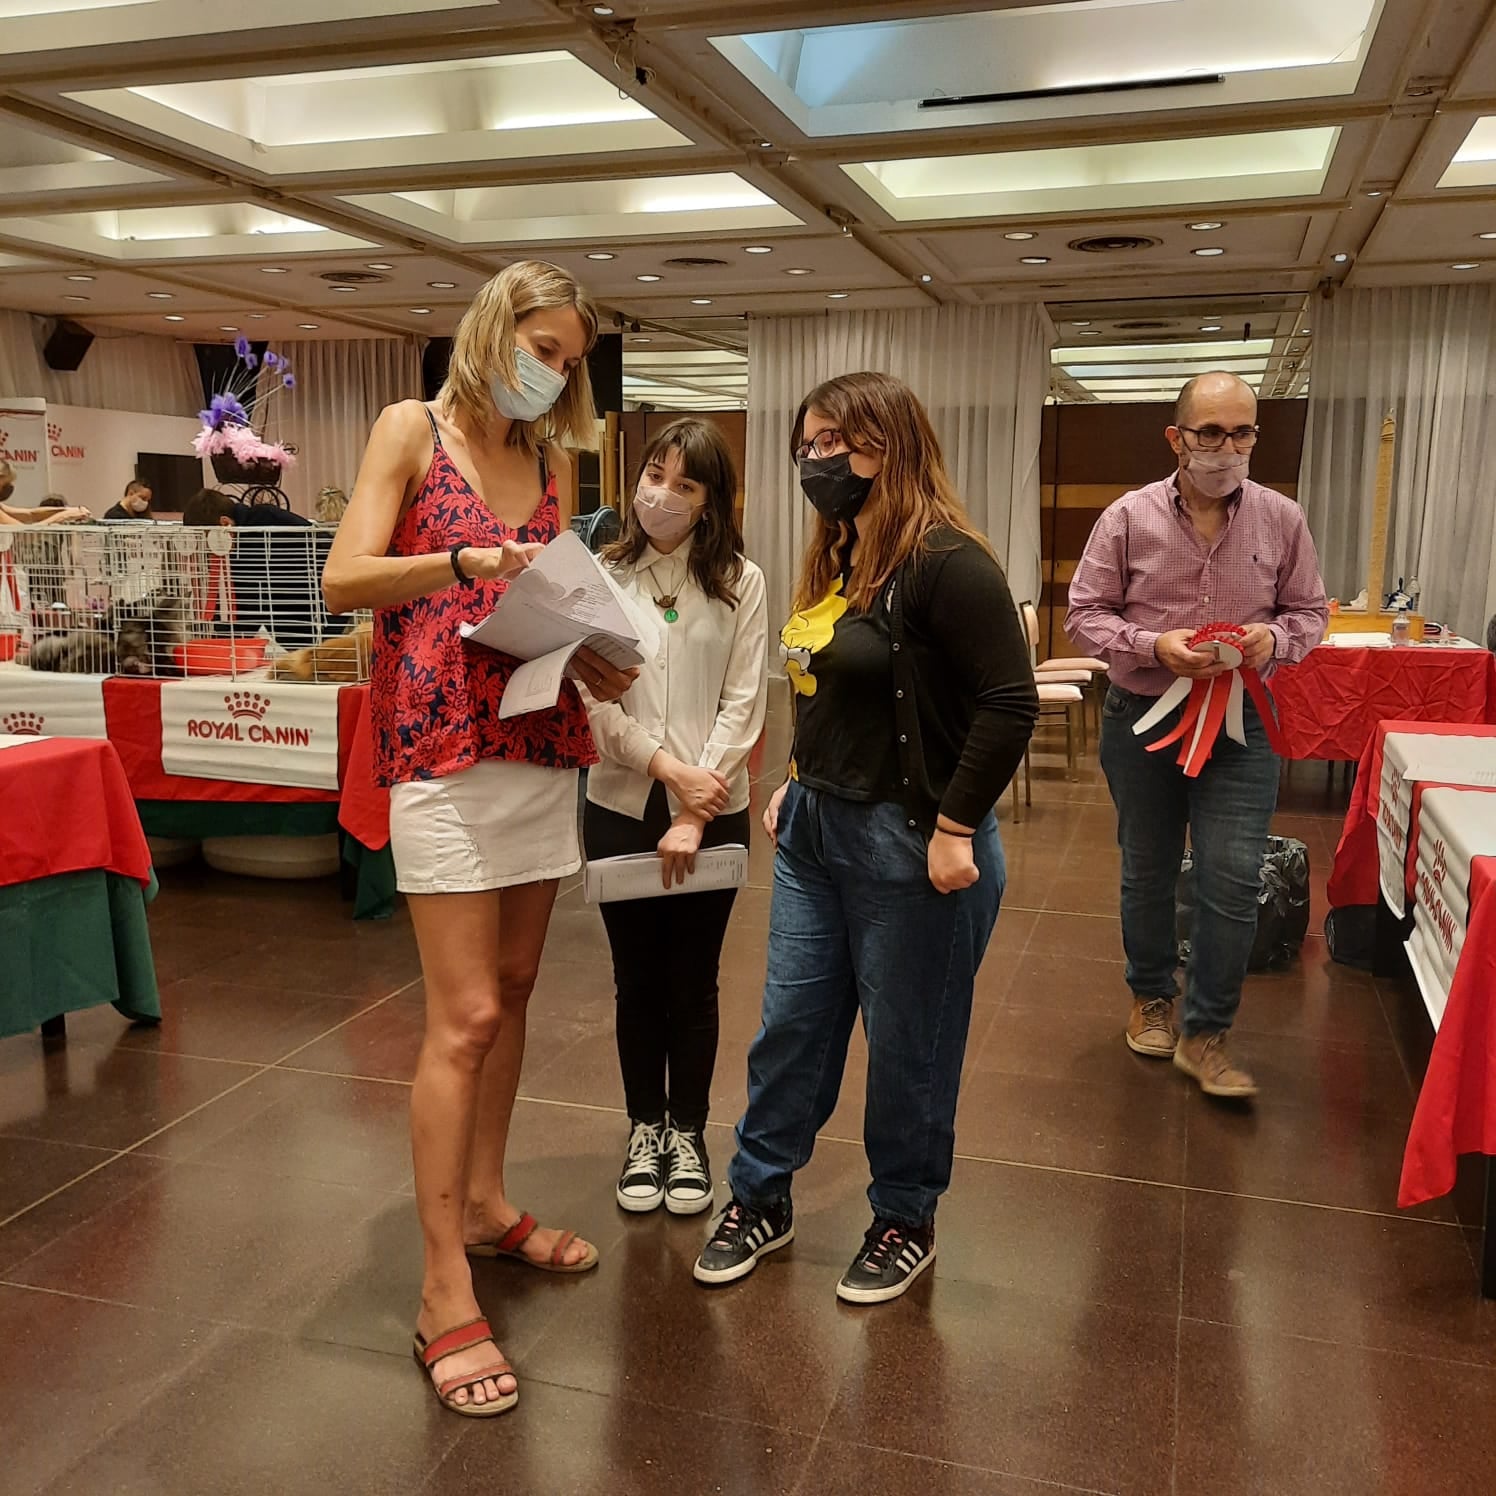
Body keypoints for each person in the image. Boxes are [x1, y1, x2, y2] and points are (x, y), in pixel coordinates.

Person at [322, 260, 637, 1420]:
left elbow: (537, 607)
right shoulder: (411, 428)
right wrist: (459, 563)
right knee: (458, 1015)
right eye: (540, 347)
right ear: (492, 329)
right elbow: (343, 576)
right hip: (440, 754)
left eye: (567, 360)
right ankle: (438, 1280)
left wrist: (591, 645)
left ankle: (486, 1202)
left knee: (509, 993)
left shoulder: (548, 460)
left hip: (534, 741)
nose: (551, 372)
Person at [694, 371, 1038, 1305]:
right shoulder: (840, 553)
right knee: (792, 1032)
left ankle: (903, 1217)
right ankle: (760, 1197)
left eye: (835, 442)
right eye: (805, 445)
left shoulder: (947, 560)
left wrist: (957, 825)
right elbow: (823, 683)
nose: (816, 461)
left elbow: (1010, 705)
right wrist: (800, 779)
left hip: (915, 843)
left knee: (909, 1046)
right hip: (817, 836)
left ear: (891, 444)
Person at [1066, 371, 1328, 1100]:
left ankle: (1207, 1030)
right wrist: (1155, 646)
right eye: (1210, 432)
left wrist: (1274, 640)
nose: (1227, 446)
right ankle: (1152, 994)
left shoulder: (1281, 518)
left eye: (1241, 431)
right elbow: (1084, 614)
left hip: (1242, 727)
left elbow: (1310, 612)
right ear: (1176, 438)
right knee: (1145, 870)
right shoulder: (1126, 518)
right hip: (1143, 721)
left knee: (1233, 877)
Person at [582, 418, 768, 1218]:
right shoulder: (598, 574)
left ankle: (687, 1132)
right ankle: (642, 1129)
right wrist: (665, 771)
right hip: (620, 803)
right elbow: (592, 700)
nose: (661, 494)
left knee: (692, 982)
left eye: (685, 484)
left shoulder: (741, 582)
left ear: (710, 501)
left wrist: (698, 803)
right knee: (635, 982)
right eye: (654, 475)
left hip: (715, 811)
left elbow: (744, 700)